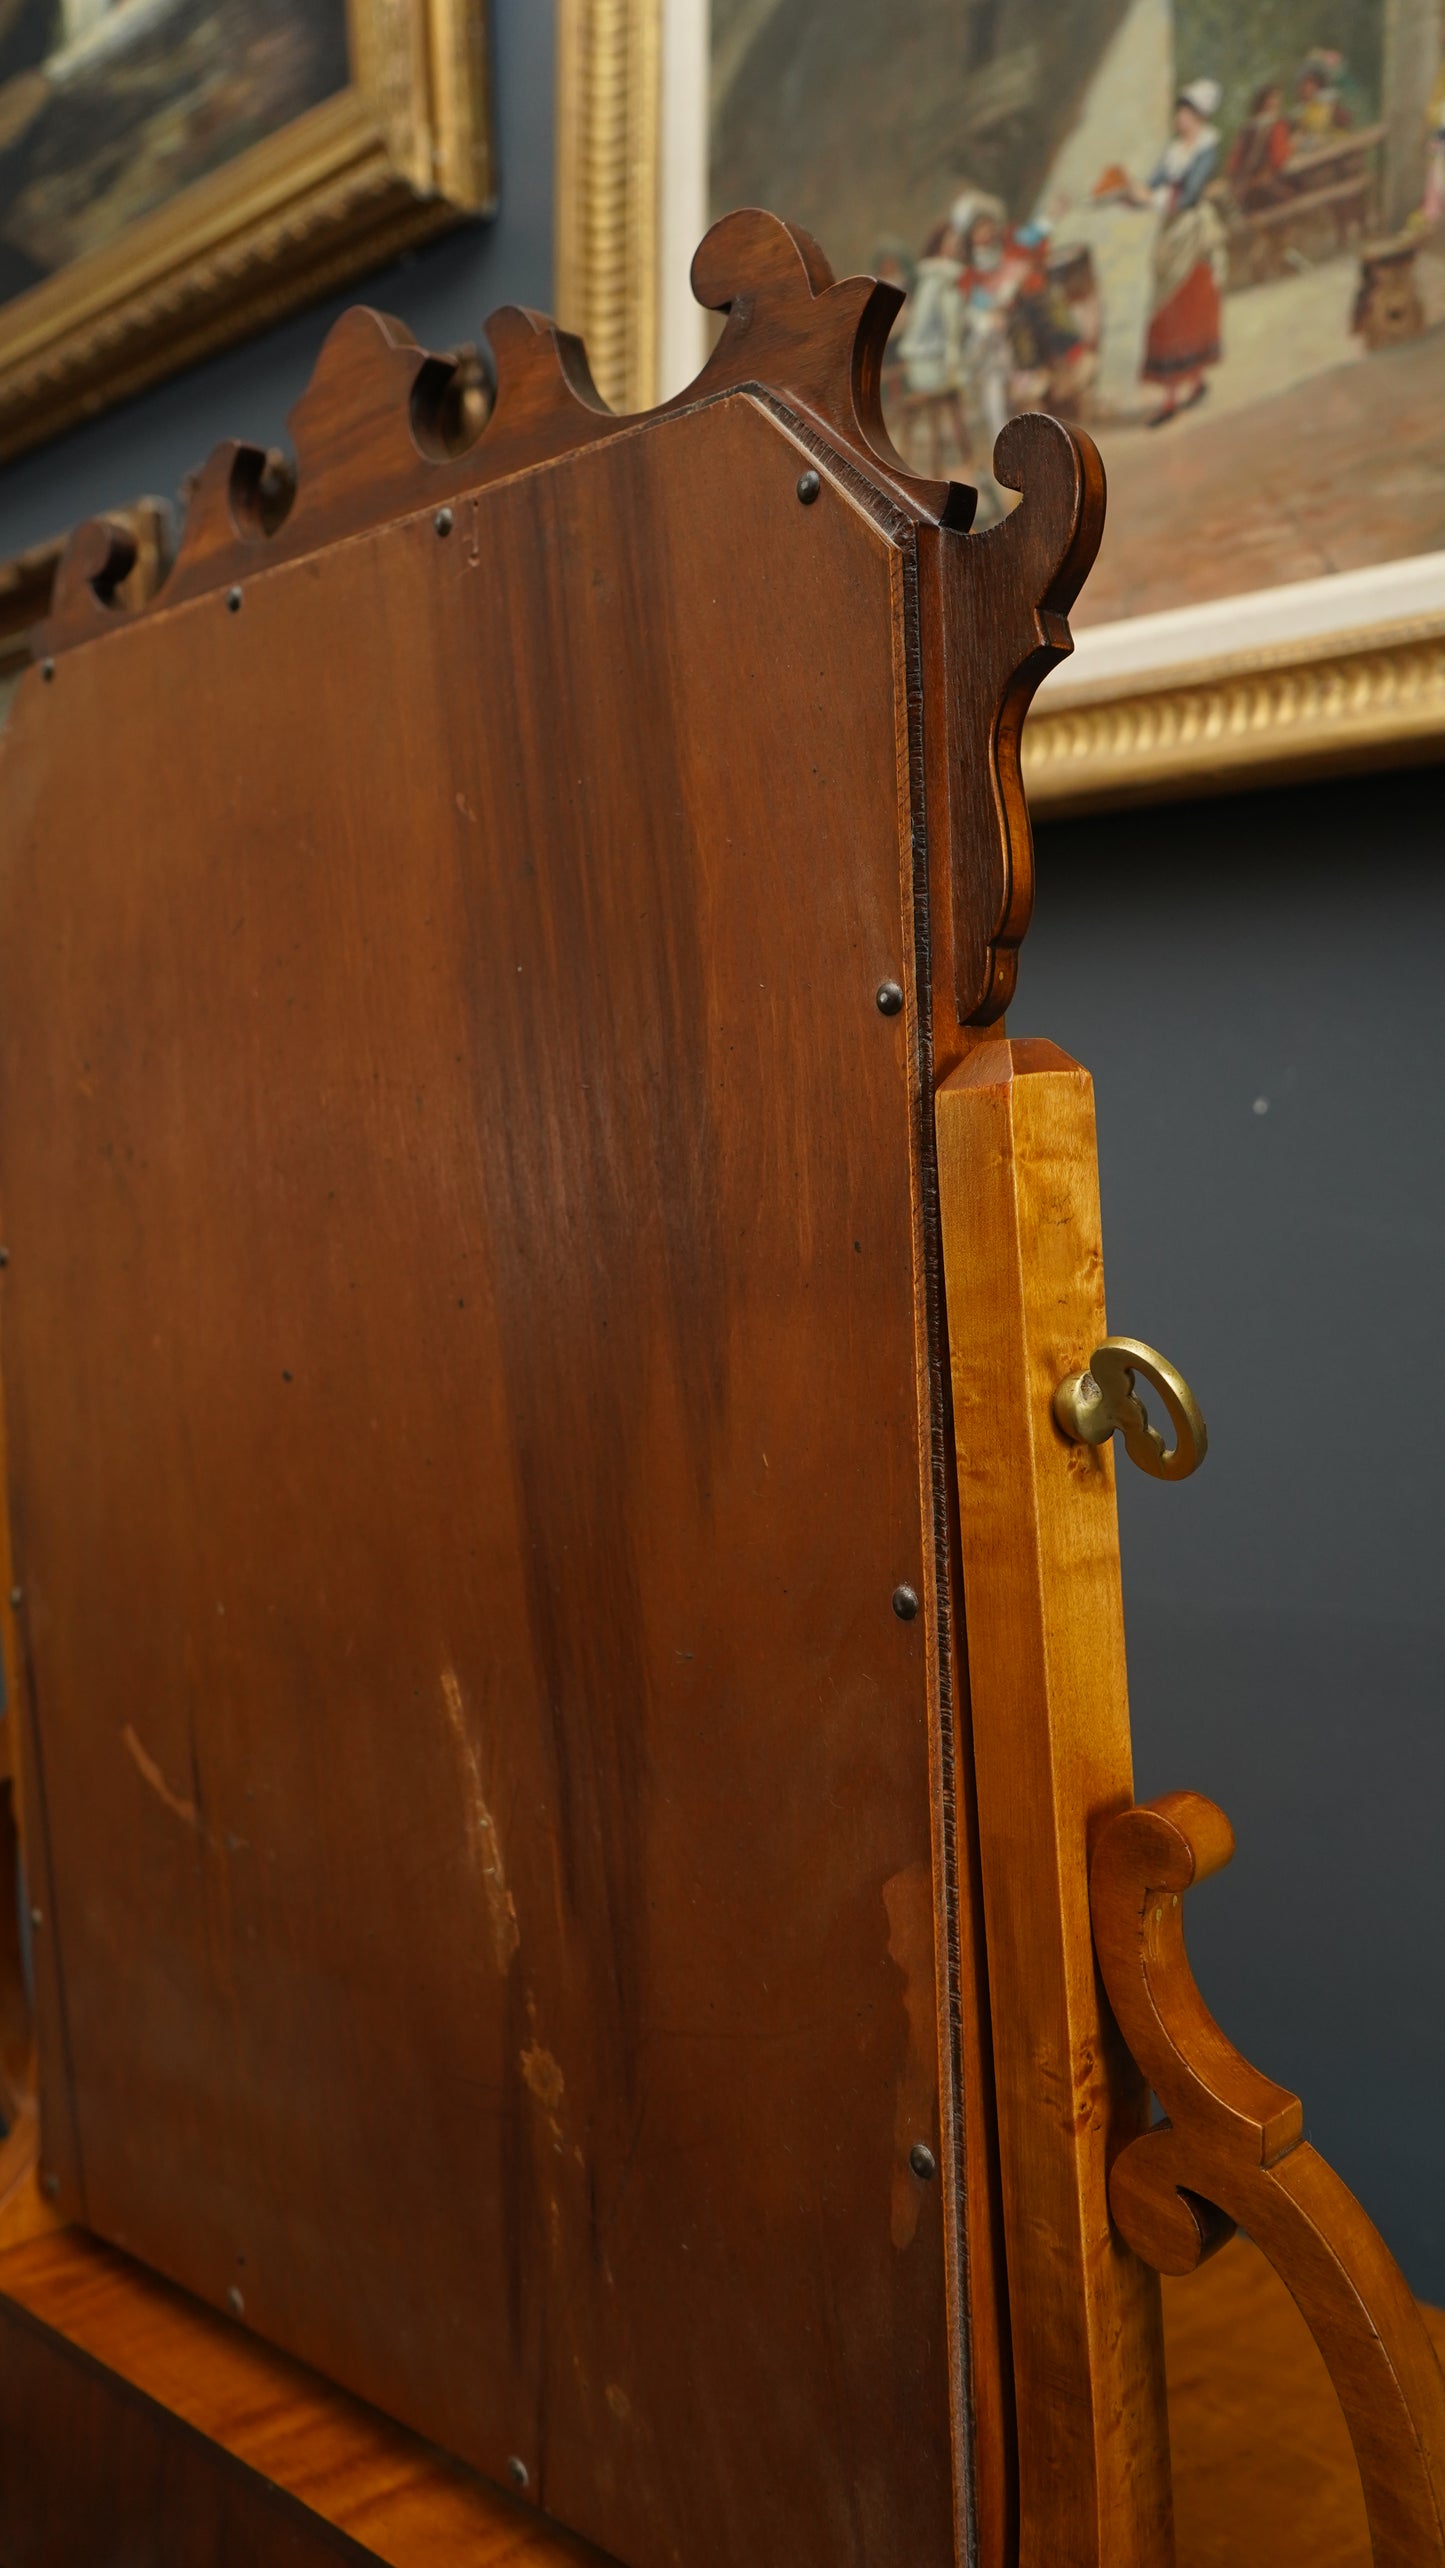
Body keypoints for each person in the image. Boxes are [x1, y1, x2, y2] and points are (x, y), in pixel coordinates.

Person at [1125, 78, 1228, 427]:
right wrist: (1133, 192)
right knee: (1169, 310)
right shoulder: (1174, 151)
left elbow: (1190, 195)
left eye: (1184, 114)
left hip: (1191, 236)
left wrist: (1151, 199)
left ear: (1198, 117)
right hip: (1171, 235)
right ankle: (1193, 384)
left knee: (1184, 310)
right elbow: (1154, 183)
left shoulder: (1206, 148)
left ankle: (1172, 398)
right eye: (1178, 114)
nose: (1179, 120)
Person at [1226, 82, 1293, 211]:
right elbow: (1279, 159)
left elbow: (1233, 165)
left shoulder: (1246, 128)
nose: (1276, 102)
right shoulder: (1277, 125)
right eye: (1273, 98)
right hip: (1266, 188)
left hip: (1244, 191)